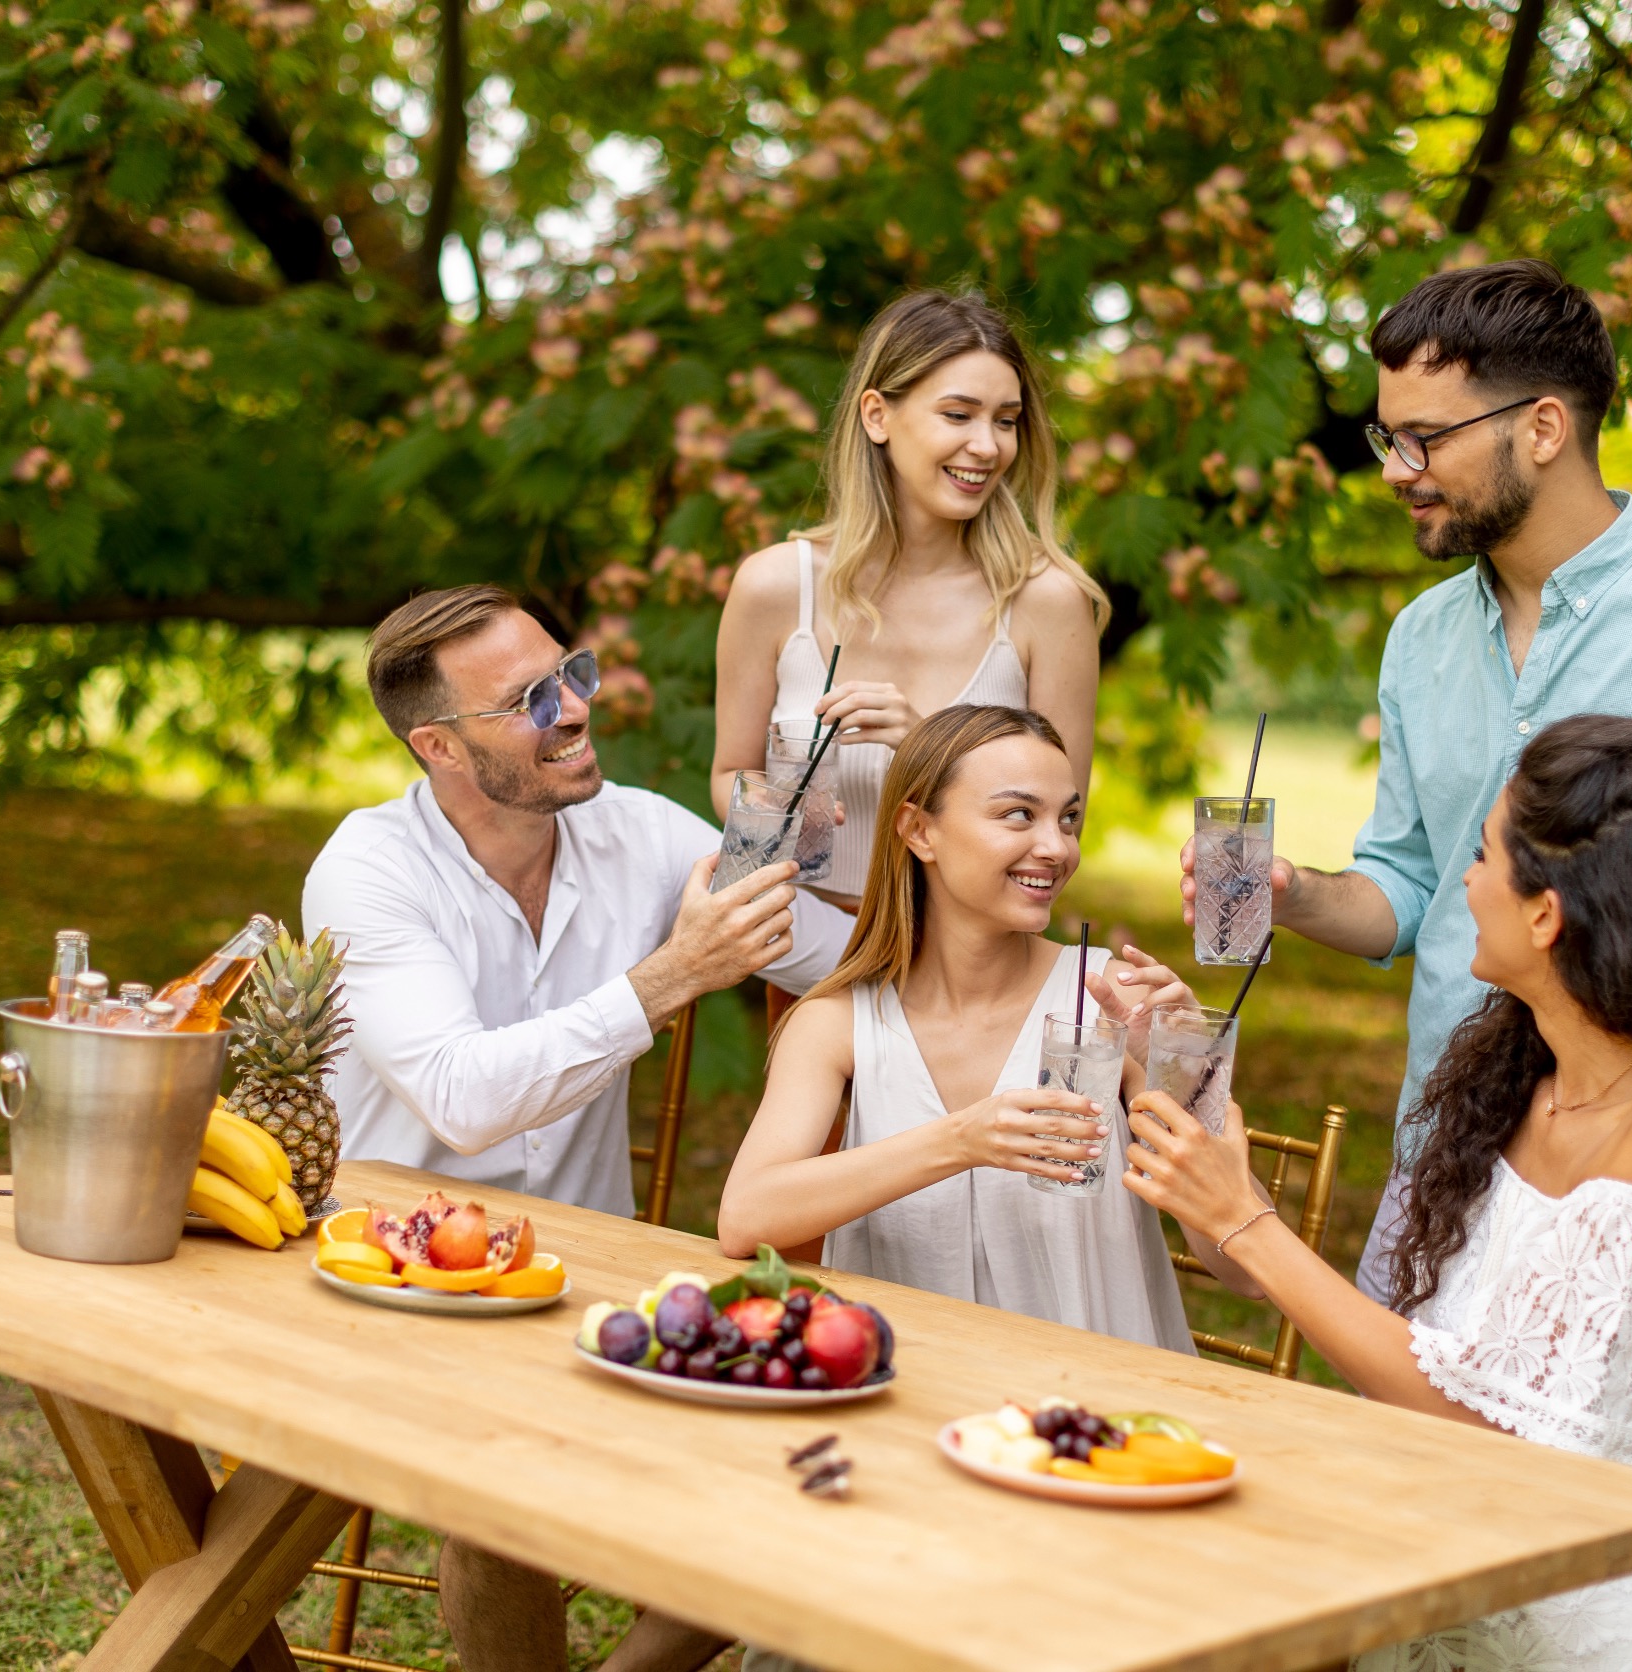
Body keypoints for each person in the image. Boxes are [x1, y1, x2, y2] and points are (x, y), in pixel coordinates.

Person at [1182, 258, 1632, 1326]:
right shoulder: (1420, 636)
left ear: (1542, 428)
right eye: (1390, 437)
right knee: (1403, 1472)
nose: (1396, 468)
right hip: (1442, 1151)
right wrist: (1290, 894)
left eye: (1425, 437)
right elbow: (1410, 888)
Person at [1135, 715, 1632, 1672]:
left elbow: (1491, 1421)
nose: (1464, 884)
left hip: (1606, 1623)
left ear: (1546, 915)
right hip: (1453, 1572)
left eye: (1481, 857)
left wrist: (1249, 1221)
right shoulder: (1524, 1081)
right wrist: (1176, 1095)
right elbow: (1377, 1318)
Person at [302, 583, 851, 1672]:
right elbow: (463, 1100)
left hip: (583, 1285)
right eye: (528, 699)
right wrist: (672, 976)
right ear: (439, 747)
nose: (573, 708)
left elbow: (831, 958)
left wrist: (833, 829)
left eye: (575, 673)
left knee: (803, 1460)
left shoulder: (641, 833)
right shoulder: (368, 871)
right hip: (390, 1287)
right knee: (503, 1486)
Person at [716, 704, 1195, 1352]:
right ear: (919, 831)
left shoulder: (1115, 1002)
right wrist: (962, 1140)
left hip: (1100, 1414)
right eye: (1019, 814)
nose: (1057, 847)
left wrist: (1187, 1079)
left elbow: (1236, 1268)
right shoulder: (836, 1024)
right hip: (902, 1397)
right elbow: (745, 1218)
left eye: (1068, 819)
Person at [713, 288, 1108, 912]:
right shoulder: (775, 587)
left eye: (1006, 421)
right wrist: (775, 807)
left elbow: (1058, 829)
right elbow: (729, 773)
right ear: (877, 416)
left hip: (965, 967)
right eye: (958, 415)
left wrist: (926, 743)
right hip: (804, 956)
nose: (988, 446)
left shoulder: (1047, 601)